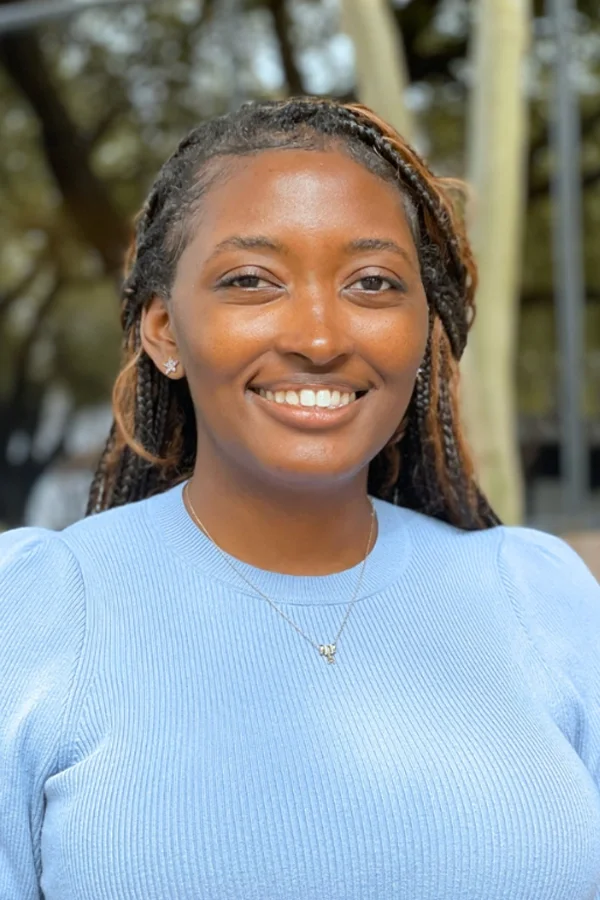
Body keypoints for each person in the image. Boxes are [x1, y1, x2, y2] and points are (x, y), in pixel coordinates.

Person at [1, 97, 599, 900]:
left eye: (373, 282)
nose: (319, 338)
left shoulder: (539, 598)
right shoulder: (38, 612)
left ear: (424, 330)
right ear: (164, 331)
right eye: (252, 280)